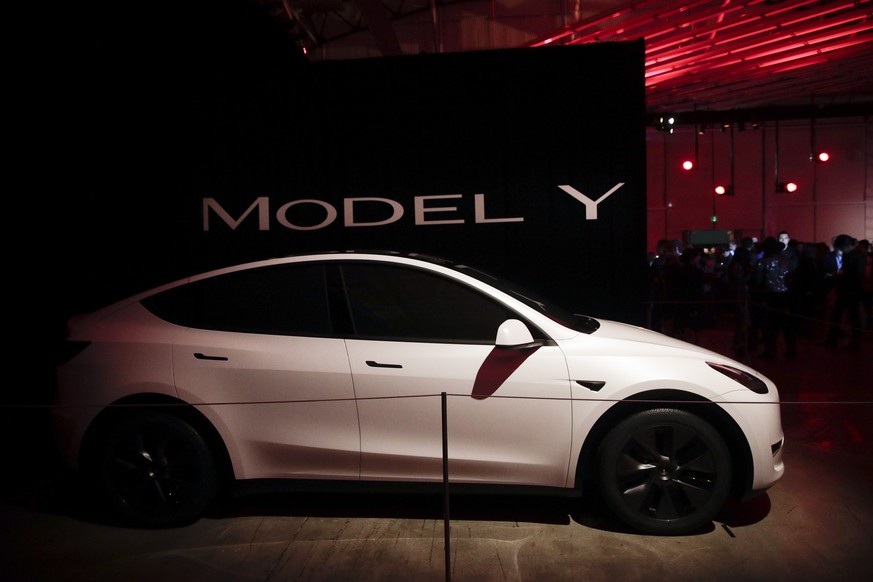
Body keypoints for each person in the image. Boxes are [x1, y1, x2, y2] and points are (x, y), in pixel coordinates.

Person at [754, 236, 797, 358]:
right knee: (786, 324)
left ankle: (770, 350)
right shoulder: (788, 261)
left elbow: (758, 279)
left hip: (770, 296)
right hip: (786, 295)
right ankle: (791, 349)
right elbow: (793, 278)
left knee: (769, 325)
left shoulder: (763, 261)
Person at [824, 234, 866, 349]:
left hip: (847, 290)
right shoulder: (860, 254)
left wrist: (837, 277)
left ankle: (833, 340)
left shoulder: (850, 256)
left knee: (838, 315)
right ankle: (854, 341)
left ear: (844, 246)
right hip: (855, 289)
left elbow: (848, 274)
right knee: (854, 316)